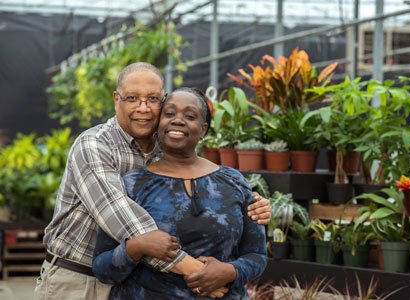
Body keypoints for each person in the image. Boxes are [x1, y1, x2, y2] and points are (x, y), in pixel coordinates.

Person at [35, 62, 271, 300]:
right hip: (77, 279)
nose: (143, 108)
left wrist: (252, 203)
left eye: (152, 99)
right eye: (132, 98)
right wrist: (202, 274)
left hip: (131, 280)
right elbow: (126, 222)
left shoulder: (165, 146)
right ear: (117, 99)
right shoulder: (95, 145)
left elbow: (210, 192)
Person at [92, 87, 268, 299]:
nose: (177, 120)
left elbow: (257, 255)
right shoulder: (132, 184)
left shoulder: (233, 181)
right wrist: (135, 248)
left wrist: (230, 271)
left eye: (190, 116)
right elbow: (102, 268)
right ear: (158, 126)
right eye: (169, 113)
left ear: (203, 130)